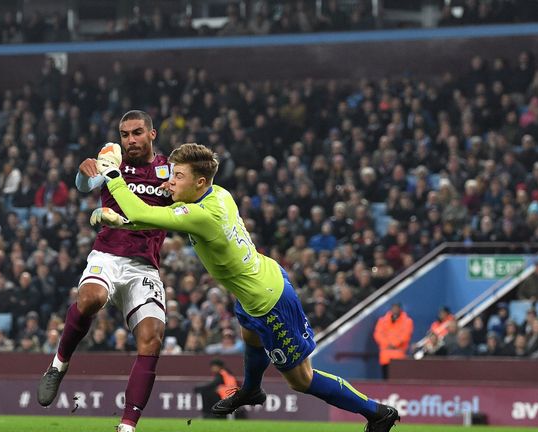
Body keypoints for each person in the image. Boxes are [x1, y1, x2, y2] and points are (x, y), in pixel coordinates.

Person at [90, 143, 400, 431]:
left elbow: (147, 213)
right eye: (171, 174)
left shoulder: (201, 215)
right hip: (260, 280)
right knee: (249, 333)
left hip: (270, 300)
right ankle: (251, 389)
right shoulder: (217, 194)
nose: (171, 181)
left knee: (301, 380)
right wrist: (124, 222)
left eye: (178, 175)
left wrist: (114, 177)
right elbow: (162, 218)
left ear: (199, 182)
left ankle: (377, 413)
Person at [36, 110, 173, 432]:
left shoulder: (169, 169)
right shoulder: (112, 159)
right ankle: (58, 365)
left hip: (145, 266)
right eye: (125, 134)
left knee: (152, 339)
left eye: (137, 133)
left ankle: (127, 427)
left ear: (152, 134)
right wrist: (84, 173)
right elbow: (86, 184)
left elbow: (187, 205)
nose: (130, 140)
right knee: (91, 299)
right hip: (108, 256)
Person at [373, 303, 413, 379]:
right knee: (386, 378)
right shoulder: (382, 321)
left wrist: (394, 344)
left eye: (397, 308)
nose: (395, 310)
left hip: (399, 356)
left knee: (398, 379)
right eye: (393, 308)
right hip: (385, 356)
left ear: (400, 309)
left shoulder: (407, 321)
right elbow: (378, 334)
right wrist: (387, 344)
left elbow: (406, 335)